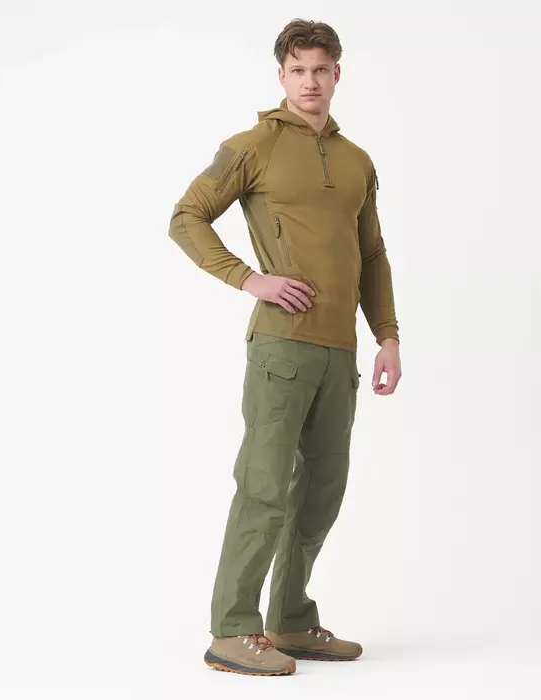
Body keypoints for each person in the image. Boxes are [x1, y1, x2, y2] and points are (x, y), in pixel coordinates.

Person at [168, 18, 401, 676]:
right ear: (281, 76)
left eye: (320, 69)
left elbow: (372, 254)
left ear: (337, 74)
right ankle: (231, 630)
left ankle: (291, 620)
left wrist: (387, 335)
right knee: (265, 487)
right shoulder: (253, 146)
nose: (309, 81)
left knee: (323, 489)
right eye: (297, 70)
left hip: (339, 351)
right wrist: (250, 278)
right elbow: (186, 217)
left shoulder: (357, 160)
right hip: (281, 348)